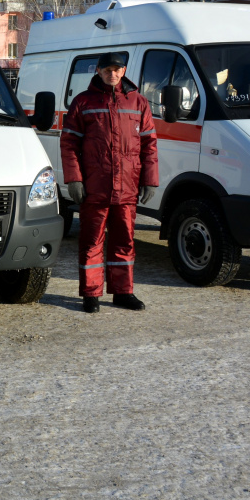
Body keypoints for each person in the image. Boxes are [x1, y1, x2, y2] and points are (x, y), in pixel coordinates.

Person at [60, 52, 158, 313]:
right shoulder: (83, 102)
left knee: (124, 239)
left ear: (123, 70)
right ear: (99, 70)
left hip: (127, 185)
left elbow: (149, 145)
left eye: (116, 69)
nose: (111, 74)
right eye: (106, 69)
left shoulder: (138, 103)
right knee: (92, 240)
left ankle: (123, 292)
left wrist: (150, 180)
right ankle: (91, 294)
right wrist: (74, 180)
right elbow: (69, 144)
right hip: (95, 186)